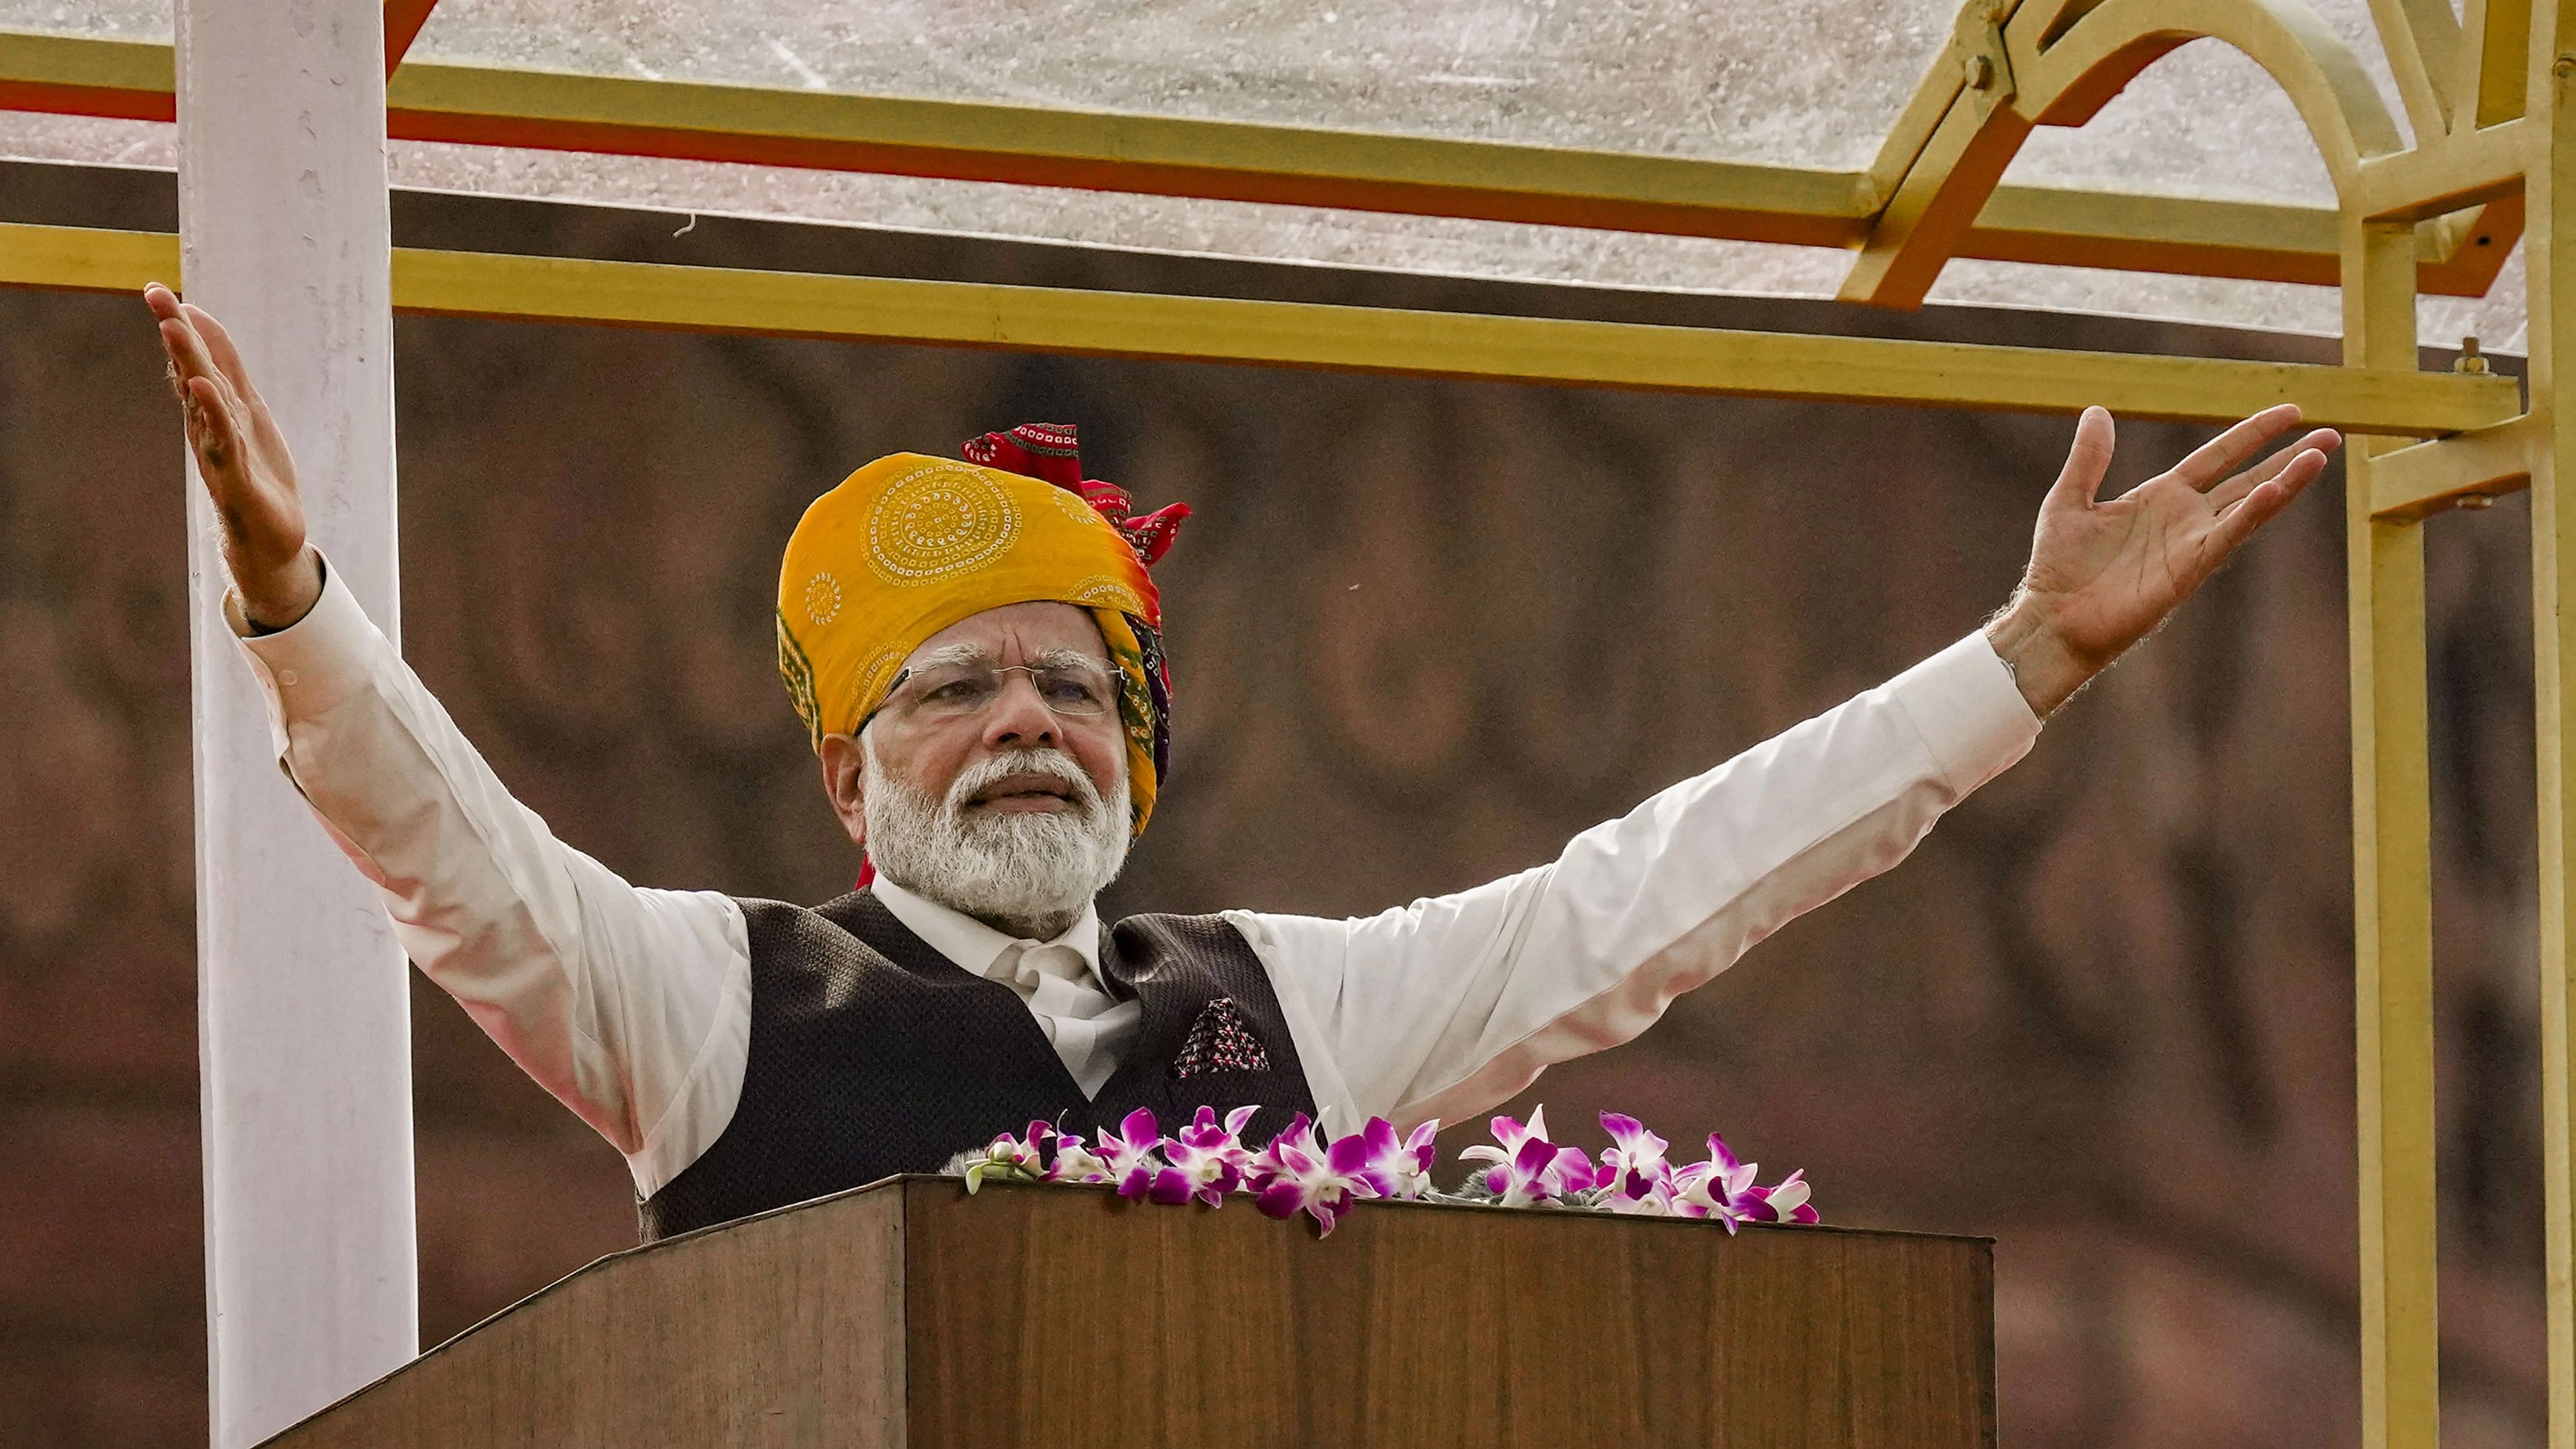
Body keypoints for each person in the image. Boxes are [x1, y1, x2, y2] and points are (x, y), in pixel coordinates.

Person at [144, 281, 2338, 1240]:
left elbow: (1658, 893)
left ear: (1134, 754)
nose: (1022, 720)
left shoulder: (1288, 1000)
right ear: (848, 777)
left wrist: (2022, 655)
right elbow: (457, 861)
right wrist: (290, 594)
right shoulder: (716, 1004)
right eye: (957, 686)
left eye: (1070, 688)